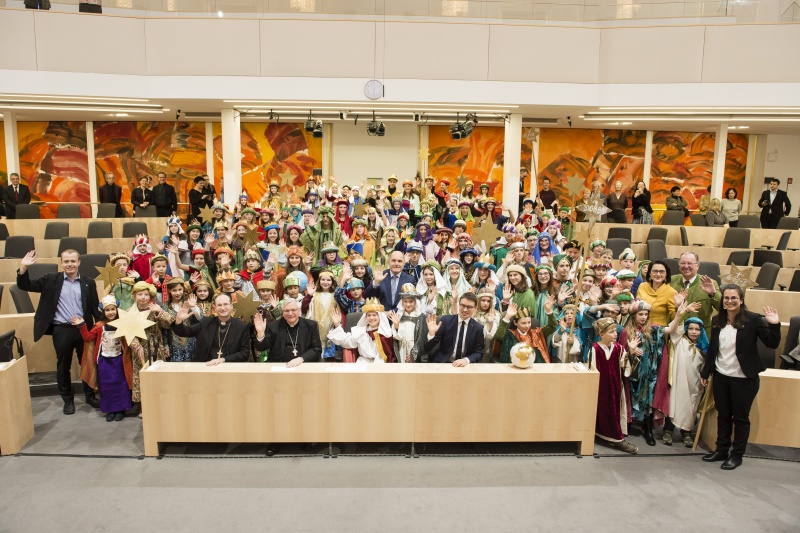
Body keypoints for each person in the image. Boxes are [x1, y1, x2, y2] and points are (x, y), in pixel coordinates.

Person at [700, 285, 781, 470]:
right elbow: (713, 350)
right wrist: (706, 372)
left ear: (741, 300)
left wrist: (774, 324)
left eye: (733, 298)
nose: (729, 301)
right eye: (726, 298)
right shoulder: (717, 320)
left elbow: (772, 343)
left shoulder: (753, 320)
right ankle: (721, 450)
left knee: (741, 418)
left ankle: (737, 455)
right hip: (722, 375)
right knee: (724, 415)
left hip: (744, 378)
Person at [17, 250, 101, 414]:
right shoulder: (51, 279)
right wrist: (23, 268)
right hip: (61, 329)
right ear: (61, 263)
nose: (70, 264)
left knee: (87, 364)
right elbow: (25, 285)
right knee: (64, 366)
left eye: (73, 261)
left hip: (83, 329)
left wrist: (101, 327)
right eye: (66, 261)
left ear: (79, 263)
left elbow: (94, 308)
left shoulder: (88, 282)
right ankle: (68, 400)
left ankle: (90, 396)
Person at [74, 295, 132, 422]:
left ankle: (121, 409)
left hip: (119, 359)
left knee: (121, 384)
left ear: (117, 309)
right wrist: (82, 325)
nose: (110, 312)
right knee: (106, 385)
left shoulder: (122, 324)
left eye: (113, 309)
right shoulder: (99, 326)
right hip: (104, 360)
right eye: (108, 310)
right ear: (103, 311)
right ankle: (110, 409)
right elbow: (88, 338)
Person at [590, 316, 638, 454]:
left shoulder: (619, 349)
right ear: (601, 334)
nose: (615, 334)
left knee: (614, 411)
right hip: (600, 389)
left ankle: (616, 436)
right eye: (611, 332)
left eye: (615, 331)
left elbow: (625, 366)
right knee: (602, 411)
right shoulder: (594, 349)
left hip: (615, 387)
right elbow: (591, 368)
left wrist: (631, 352)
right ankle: (607, 435)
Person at [171, 292, 251, 364]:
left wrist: (223, 359)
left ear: (231, 306)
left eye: (225, 304)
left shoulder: (241, 326)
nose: (223, 308)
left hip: (230, 369)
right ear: (215, 308)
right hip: (206, 367)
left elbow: (244, 353)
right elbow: (184, 332)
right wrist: (178, 320)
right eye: (219, 305)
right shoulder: (206, 322)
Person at [254, 298, 322, 366]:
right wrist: (260, 333)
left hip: (304, 366)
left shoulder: (311, 325)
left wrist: (301, 359)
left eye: (293, 310)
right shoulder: (273, 326)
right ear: (282, 312)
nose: (290, 313)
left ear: (299, 311)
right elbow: (261, 348)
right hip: (279, 367)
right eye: (286, 310)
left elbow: (316, 349)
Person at [424, 292, 485, 366]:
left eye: (469, 307)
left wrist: (466, 360)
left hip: (464, 366)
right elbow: (427, 348)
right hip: (443, 363)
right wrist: (431, 334)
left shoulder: (478, 328)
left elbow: (479, 353)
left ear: (475, 308)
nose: (465, 310)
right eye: (462, 305)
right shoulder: (446, 321)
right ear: (458, 305)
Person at [329, 298, 397, 363]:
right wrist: (337, 324)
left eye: (374, 315)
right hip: (363, 363)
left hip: (381, 363)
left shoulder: (387, 333)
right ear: (365, 317)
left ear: (379, 316)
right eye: (369, 315)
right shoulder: (361, 332)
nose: (371, 318)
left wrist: (397, 325)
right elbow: (345, 340)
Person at [669, 252, 721, 336]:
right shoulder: (671, 281)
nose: (686, 266)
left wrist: (713, 294)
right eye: (682, 263)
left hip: (701, 335)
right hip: (676, 333)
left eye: (689, 263)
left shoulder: (709, 283)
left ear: (697, 266)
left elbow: (722, 308)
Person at [636, 260, 677, 326]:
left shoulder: (671, 292)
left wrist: (677, 308)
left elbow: (675, 319)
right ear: (649, 273)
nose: (658, 274)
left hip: (658, 331)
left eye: (661, 271)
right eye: (655, 271)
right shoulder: (642, 286)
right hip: (639, 329)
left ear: (666, 274)